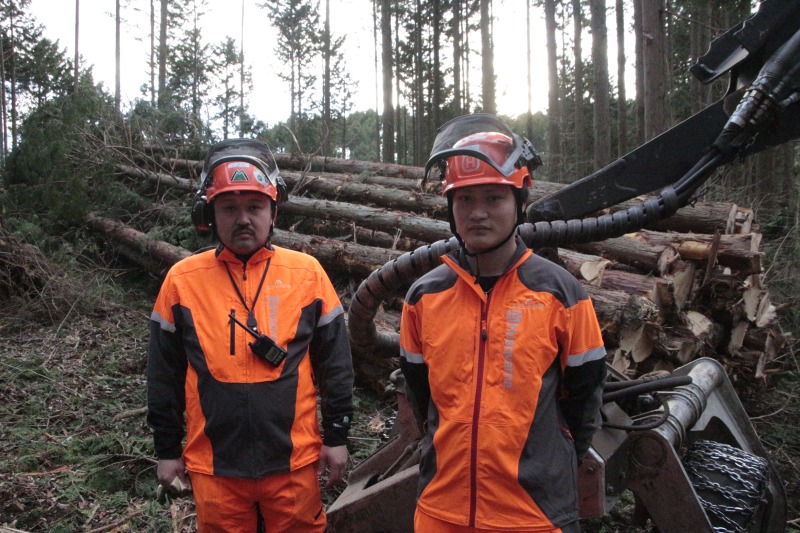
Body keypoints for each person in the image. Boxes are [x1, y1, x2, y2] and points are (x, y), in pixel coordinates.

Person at [399, 114, 607, 533]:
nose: (478, 213)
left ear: (519, 202)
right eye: (464, 199)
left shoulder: (560, 294)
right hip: (442, 510)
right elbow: (422, 396)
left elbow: (584, 400)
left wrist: (550, 460)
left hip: (534, 515)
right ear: (449, 207)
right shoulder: (424, 296)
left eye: (493, 198)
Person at [147, 138, 354, 533]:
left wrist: (337, 436)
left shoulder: (306, 274)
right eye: (230, 208)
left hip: (294, 461)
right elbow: (163, 374)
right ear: (209, 214)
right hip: (215, 465)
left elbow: (336, 367)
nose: (243, 219)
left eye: (255, 207)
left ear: (273, 212)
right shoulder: (182, 280)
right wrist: (166, 450)